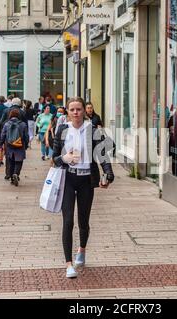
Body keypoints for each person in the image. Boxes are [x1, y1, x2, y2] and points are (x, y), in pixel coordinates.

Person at [52, 97, 115, 278]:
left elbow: (103, 155)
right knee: (68, 221)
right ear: (68, 112)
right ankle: (68, 264)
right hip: (68, 179)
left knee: (83, 221)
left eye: (78, 109)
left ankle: (82, 249)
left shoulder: (92, 130)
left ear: (84, 111)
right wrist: (64, 159)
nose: (75, 112)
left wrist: (108, 174)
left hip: (87, 179)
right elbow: (54, 158)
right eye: (72, 109)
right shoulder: (63, 130)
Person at [0, 108, 29, 186]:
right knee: (19, 161)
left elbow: (3, 135)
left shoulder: (6, 124)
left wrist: (0, 144)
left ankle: (12, 178)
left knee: (11, 161)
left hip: (9, 146)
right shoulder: (23, 124)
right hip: (20, 145)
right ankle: (16, 174)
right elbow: (26, 136)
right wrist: (26, 145)